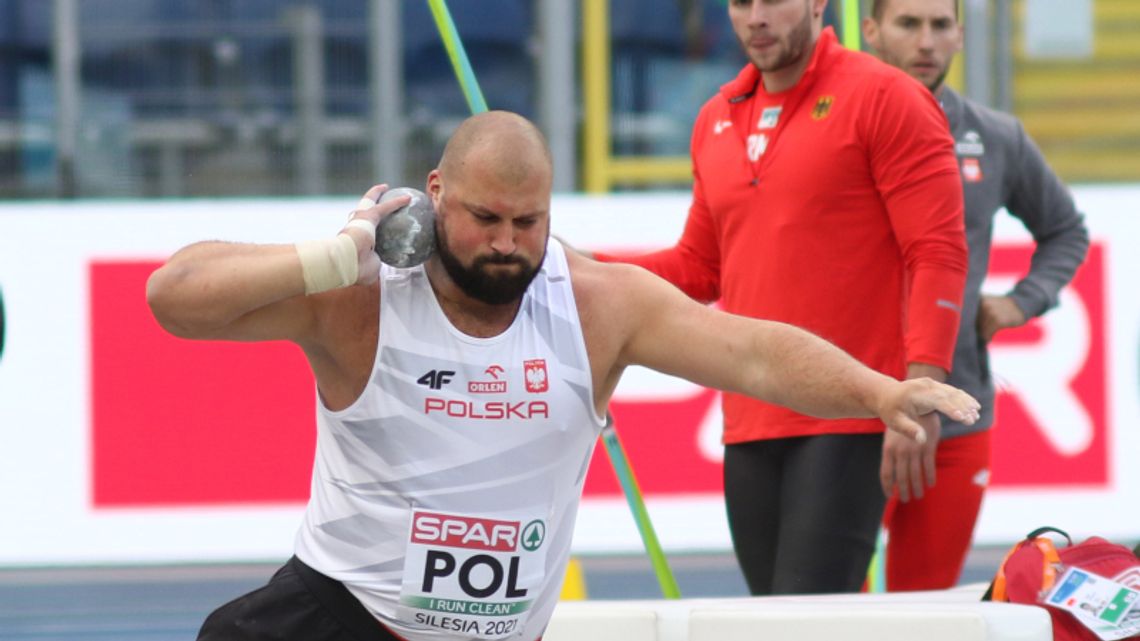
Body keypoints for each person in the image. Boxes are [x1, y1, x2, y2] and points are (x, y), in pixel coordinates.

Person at [147, 111, 980, 641]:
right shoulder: (359, 295)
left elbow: (752, 351)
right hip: (342, 619)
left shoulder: (594, 304)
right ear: (434, 195)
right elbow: (174, 297)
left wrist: (880, 391)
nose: (507, 242)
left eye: (529, 221)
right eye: (483, 219)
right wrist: (338, 252)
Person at [591, 0, 968, 595]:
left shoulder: (886, 97)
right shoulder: (715, 116)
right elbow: (698, 268)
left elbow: (938, 254)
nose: (756, 18)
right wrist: (583, 268)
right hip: (750, 419)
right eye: (741, 3)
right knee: (770, 615)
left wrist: (916, 392)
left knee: (806, 618)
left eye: (772, 1)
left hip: (852, 409)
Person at [863, 0, 1090, 590]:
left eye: (941, 25)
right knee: (830, 615)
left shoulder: (995, 137)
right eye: (907, 24)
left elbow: (1065, 229)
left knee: (927, 609)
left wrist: (1023, 300)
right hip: (847, 411)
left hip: (955, 415)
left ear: (962, 35)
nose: (926, 42)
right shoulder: (836, 126)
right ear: (870, 30)